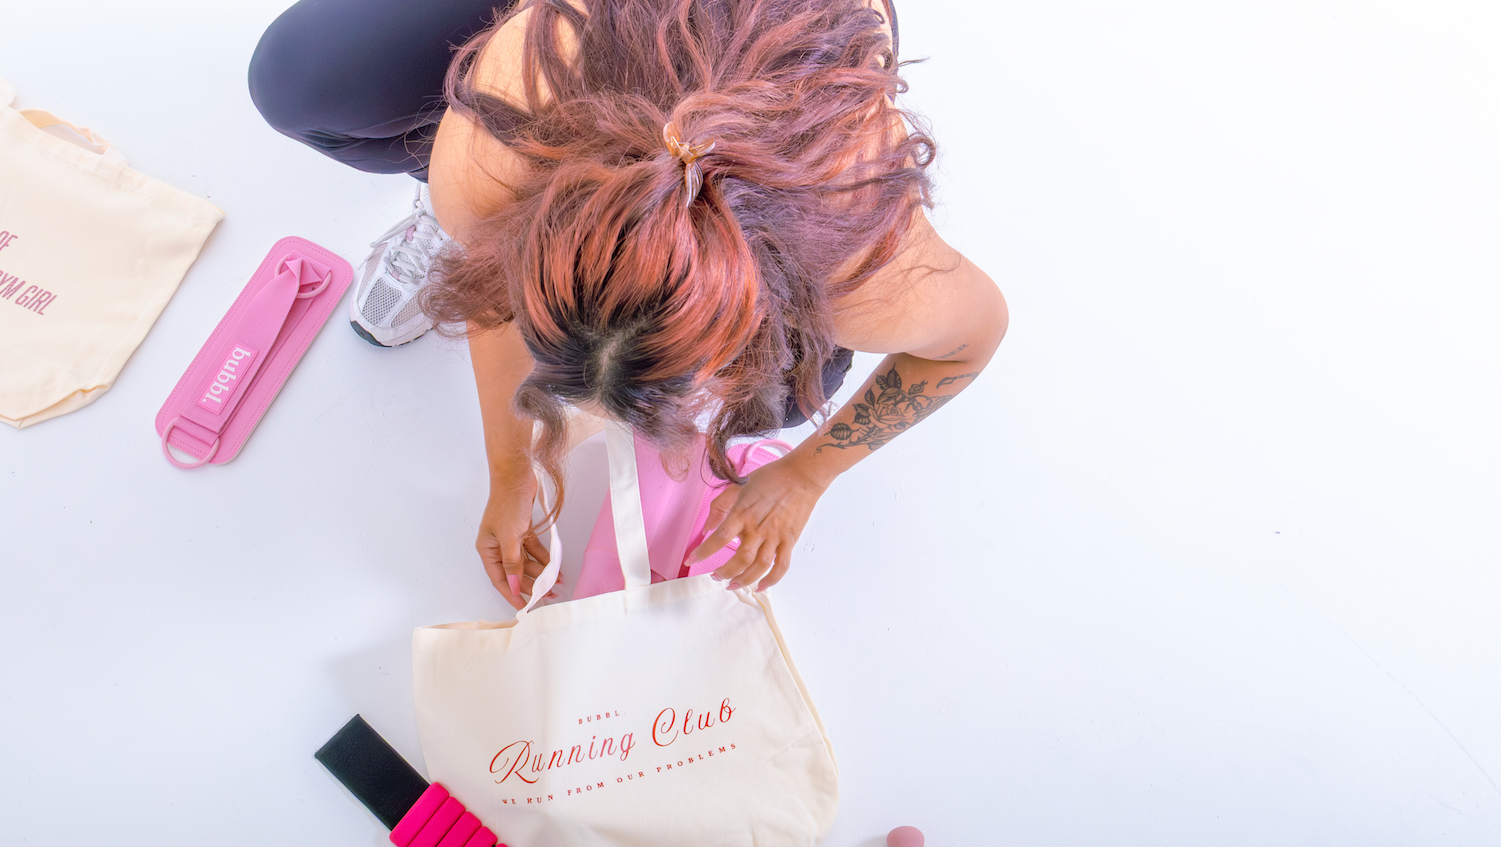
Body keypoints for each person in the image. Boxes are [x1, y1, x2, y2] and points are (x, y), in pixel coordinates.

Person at [250, 0, 1007, 605]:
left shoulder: (857, 258)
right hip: (584, 55)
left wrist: (805, 474)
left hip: (781, 46)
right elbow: (493, 292)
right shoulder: (496, 148)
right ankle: (438, 213)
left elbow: (970, 337)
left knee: (781, 399)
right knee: (297, 79)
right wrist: (513, 467)